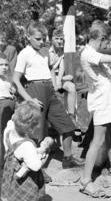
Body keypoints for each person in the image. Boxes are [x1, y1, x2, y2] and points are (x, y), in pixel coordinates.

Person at [12, 21, 83, 169]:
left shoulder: (45, 52)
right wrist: (30, 99)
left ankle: (68, 158)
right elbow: (15, 80)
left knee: (67, 125)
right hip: (35, 90)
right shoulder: (24, 54)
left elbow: (51, 68)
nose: (41, 42)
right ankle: (37, 168)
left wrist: (58, 82)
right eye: (38, 39)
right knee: (37, 133)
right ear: (28, 37)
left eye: (43, 39)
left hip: (50, 89)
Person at [79, 20, 111, 198]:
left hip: (106, 100)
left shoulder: (94, 53)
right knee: (97, 140)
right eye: (106, 42)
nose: (107, 45)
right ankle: (85, 180)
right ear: (101, 38)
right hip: (100, 102)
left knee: (109, 134)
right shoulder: (89, 53)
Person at [1, 101, 47, 201]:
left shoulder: (8, 130)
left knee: (10, 195)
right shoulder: (27, 145)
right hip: (24, 182)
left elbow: (11, 121)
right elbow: (35, 166)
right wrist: (43, 157)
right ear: (31, 129)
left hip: (10, 174)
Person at [49, 28, 77, 124]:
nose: (59, 41)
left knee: (71, 86)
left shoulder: (62, 52)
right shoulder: (48, 52)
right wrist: (56, 82)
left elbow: (62, 66)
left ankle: (71, 115)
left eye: (61, 39)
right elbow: (50, 68)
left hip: (57, 77)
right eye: (57, 39)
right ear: (52, 39)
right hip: (48, 77)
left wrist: (60, 79)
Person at [0, 52, 16, 167]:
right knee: (2, 134)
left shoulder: (8, 81)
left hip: (12, 107)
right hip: (3, 107)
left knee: (11, 134)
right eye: (1, 65)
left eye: (6, 65)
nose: (4, 68)